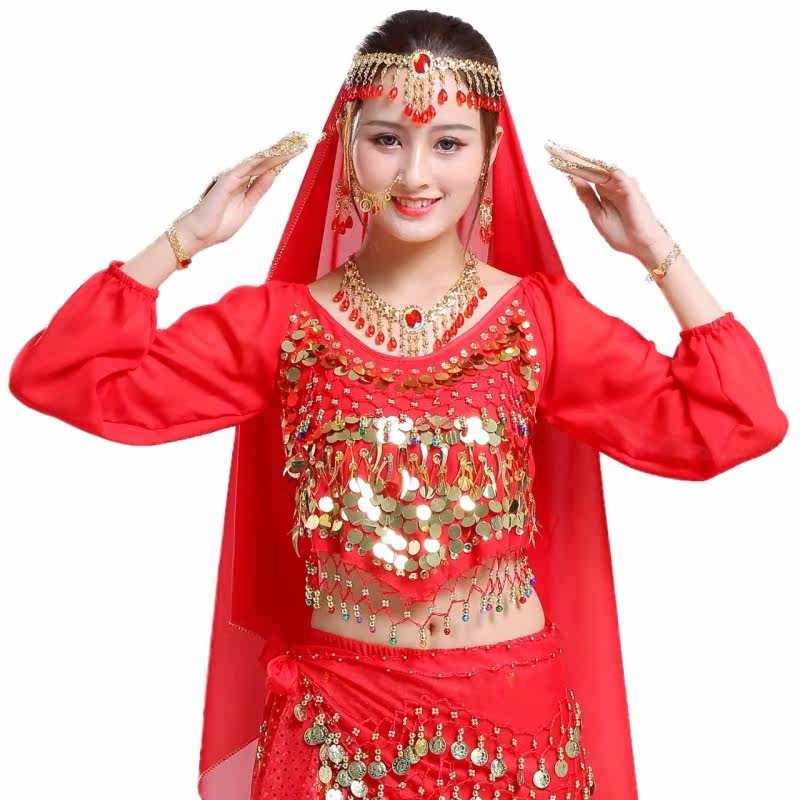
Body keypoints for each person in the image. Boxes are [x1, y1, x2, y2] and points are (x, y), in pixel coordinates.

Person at [7, 10, 789, 800]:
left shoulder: (538, 321)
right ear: (347, 145)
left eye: (448, 143)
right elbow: (63, 376)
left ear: (490, 155)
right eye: (387, 139)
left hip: (512, 729)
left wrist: (657, 252)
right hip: (335, 732)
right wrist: (187, 237)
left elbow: (734, 421)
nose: (416, 175)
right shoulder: (280, 325)